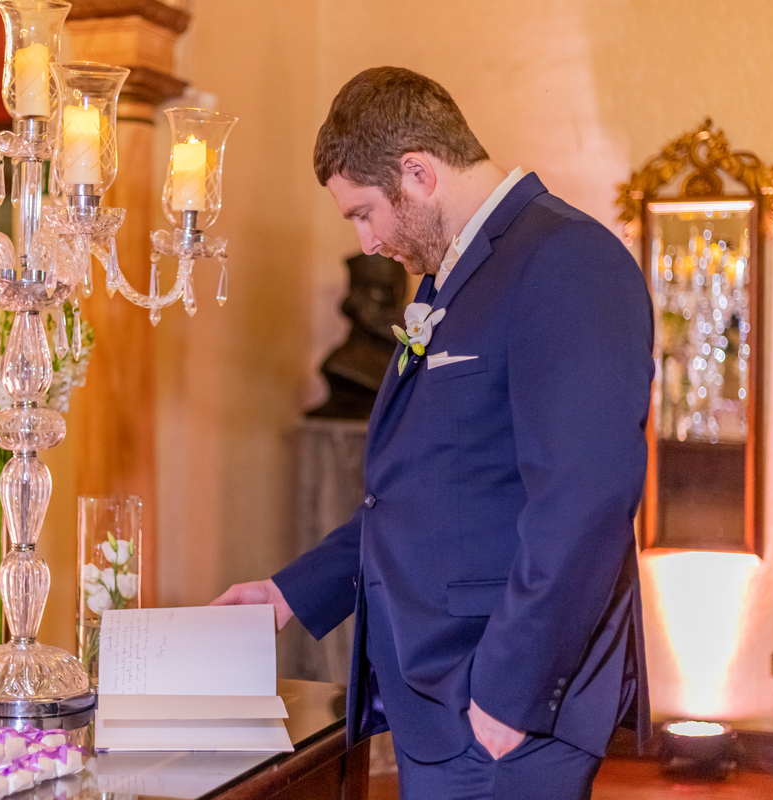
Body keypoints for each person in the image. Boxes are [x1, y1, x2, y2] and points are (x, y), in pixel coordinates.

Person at [212, 66, 653, 799]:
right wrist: (289, 594)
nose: (367, 241)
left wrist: (508, 698)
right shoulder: (450, 280)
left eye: (364, 213)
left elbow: (586, 498)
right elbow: (422, 489)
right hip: (443, 701)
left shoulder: (567, 260)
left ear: (418, 173)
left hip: (502, 709)